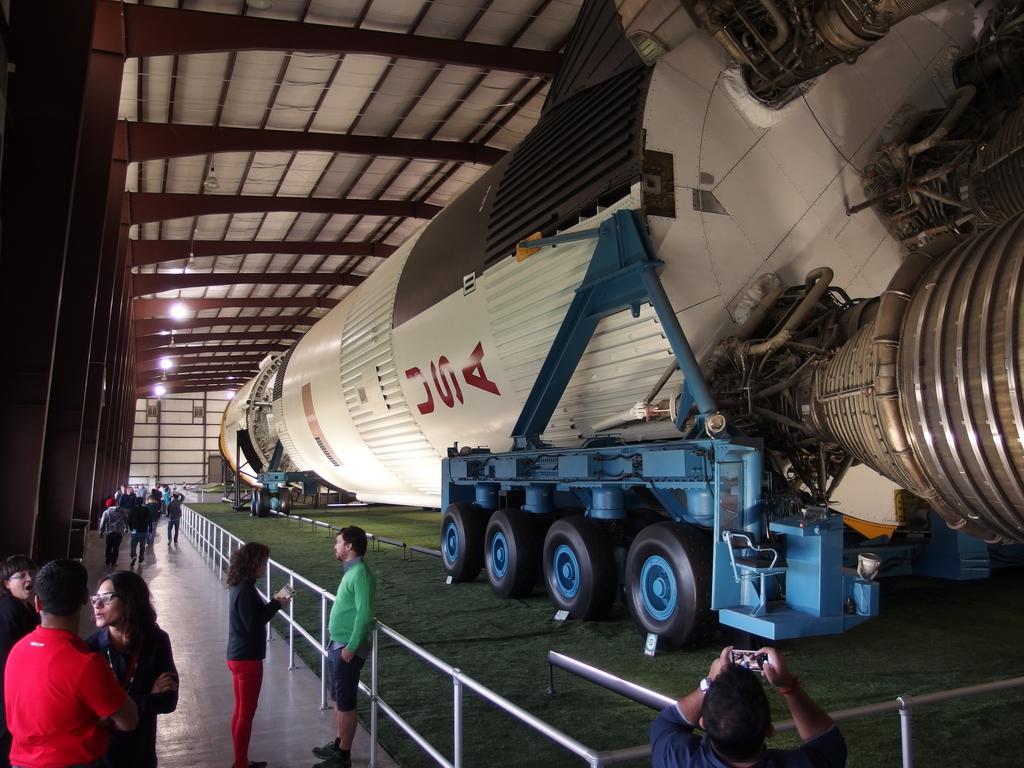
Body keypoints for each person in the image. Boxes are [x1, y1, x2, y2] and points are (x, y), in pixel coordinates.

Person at [4, 559, 138, 768]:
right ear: (85, 597)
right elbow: (129, 721)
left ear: (38, 603)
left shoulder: (17, 651)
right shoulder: (87, 664)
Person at [650, 646, 846, 768]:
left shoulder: (674, 757)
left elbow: (669, 721)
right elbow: (827, 740)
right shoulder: (805, 764)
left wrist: (709, 682)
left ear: (703, 723)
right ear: (769, 730)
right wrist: (788, 687)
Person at [86, 571, 178, 768]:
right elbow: (88, 713)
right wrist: (147, 696)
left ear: (130, 601)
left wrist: (110, 711)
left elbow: (169, 701)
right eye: (96, 598)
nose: (96, 604)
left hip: (141, 755)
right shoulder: (90, 648)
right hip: (101, 759)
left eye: (106, 598)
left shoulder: (156, 641)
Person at [312, 526, 377, 768]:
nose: (335, 546)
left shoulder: (360, 574)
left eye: (338, 542)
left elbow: (364, 614)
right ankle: (340, 744)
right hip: (337, 645)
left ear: (349, 546)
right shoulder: (352, 571)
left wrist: (352, 646)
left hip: (346, 649)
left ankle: (344, 756)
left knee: (347, 703)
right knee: (340, 701)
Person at [226, 543, 290, 768]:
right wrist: (276, 604)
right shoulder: (244, 590)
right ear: (252, 564)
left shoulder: (240, 585)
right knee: (246, 713)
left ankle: (240, 760)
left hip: (238, 655)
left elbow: (251, 617)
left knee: (240, 711)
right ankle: (240, 763)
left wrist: (272, 603)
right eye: (263, 563)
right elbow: (254, 623)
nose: (265, 567)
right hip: (247, 659)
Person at [0, 556, 39, 768]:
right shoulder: (8, 612)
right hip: (8, 701)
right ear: (6, 583)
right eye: (21, 575)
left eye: (31, 573)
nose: (29, 578)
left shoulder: (25, 608)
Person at [100, 500, 130, 566]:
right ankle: (114, 562)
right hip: (119, 532)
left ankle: (108, 560)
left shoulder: (106, 512)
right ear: (116, 503)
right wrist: (126, 528)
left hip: (109, 532)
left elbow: (103, 523)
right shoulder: (122, 511)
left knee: (109, 546)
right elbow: (126, 520)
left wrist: (101, 532)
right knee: (116, 547)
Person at [127, 499, 152, 567]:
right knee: (142, 546)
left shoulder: (133, 509)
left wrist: (131, 528)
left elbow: (128, 520)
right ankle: (141, 560)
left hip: (134, 530)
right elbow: (150, 519)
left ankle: (133, 556)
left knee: (133, 544)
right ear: (142, 502)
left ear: (136, 502)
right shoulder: (146, 509)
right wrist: (150, 529)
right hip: (143, 530)